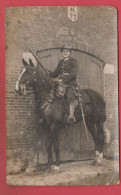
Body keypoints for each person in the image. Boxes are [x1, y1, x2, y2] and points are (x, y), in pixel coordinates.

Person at [49, 45, 78, 123]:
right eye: (63, 52)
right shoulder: (61, 62)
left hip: (70, 84)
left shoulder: (73, 61)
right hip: (61, 84)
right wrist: (48, 72)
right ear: (62, 53)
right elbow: (55, 73)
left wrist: (62, 80)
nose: (65, 53)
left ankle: (71, 116)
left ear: (69, 53)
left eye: (66, 51)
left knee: (69, 96)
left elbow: (73, 74)